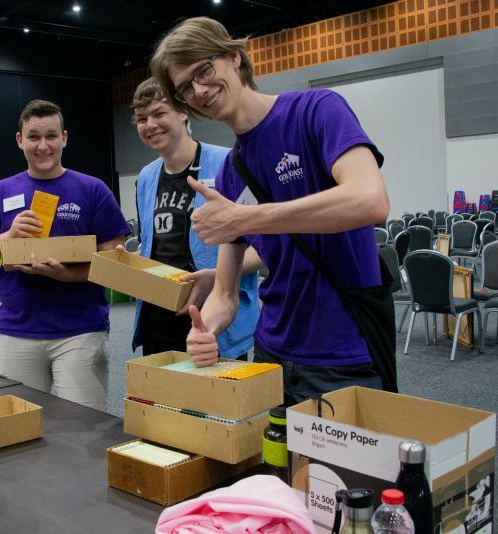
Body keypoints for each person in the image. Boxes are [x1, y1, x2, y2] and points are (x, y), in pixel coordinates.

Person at [150, 17, 392, 405]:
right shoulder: (231, 173)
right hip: (271, 353)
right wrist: (206, 328)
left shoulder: (315, 110)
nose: (199, 91)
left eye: (204, 70)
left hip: (342, 354)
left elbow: (370, 199)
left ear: (234, 57)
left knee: (347, 450)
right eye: (185, 89)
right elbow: (225, 292)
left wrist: (246, 218)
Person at [0, 99, 129, 411]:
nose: (43, 146)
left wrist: (66, 275)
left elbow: (116, 265)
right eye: (34, 137)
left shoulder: (93, 190)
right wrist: (9, 237)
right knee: (23, 429)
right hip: (17, 330)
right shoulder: (1, 191)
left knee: (84, 427)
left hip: (80, 331)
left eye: (51, 136)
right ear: (19, 140)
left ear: (64, 138)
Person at [130, 77, 262, 359]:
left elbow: (265, 248)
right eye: (141, 118)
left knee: (217, 388)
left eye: (159, 113)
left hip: (217, 318)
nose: (150, 125)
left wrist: (217, 276)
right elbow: (153, 246)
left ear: (183, 112)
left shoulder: (230, 164)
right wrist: (127, 263)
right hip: (159, 318)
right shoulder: (146, 177)